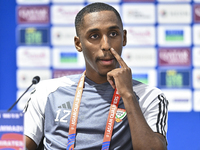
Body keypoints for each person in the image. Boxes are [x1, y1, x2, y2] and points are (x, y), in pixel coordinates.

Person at [24, 2, 168, 150]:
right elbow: (15, 145)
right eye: (94, 36)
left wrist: (128, 95)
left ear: (124, 37)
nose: (106, 45)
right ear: (78, 43)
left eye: (113, 34)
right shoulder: (47, 91)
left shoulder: (148, 96)